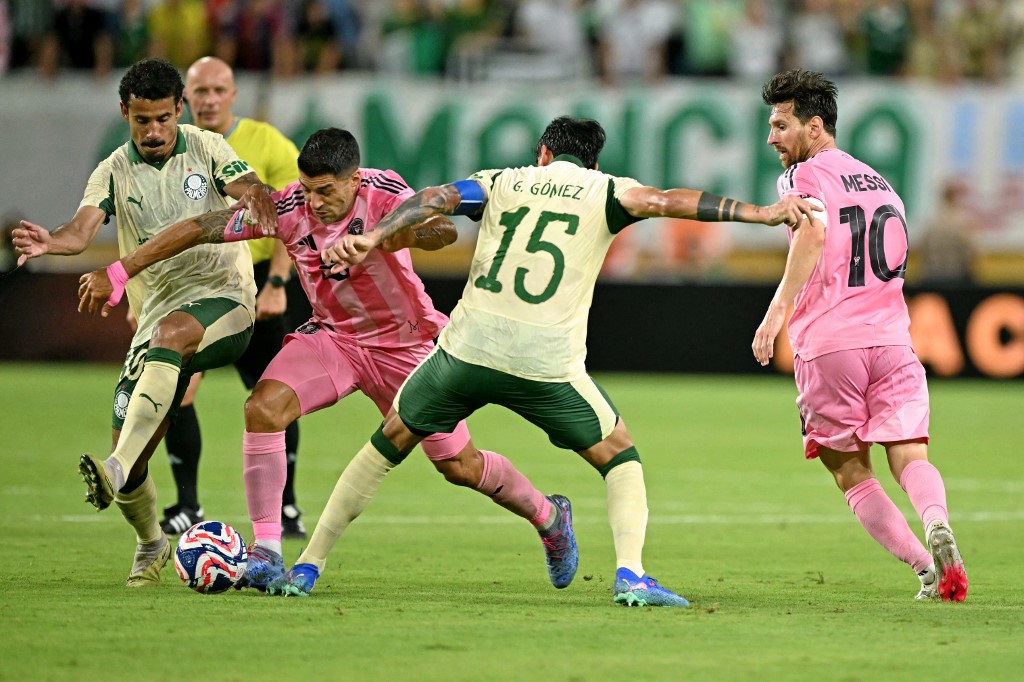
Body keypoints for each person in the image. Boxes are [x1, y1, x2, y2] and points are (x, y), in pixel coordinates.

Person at [271, 115, 816, 606]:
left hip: (467, 349)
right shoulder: (608, 190)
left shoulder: (501, 180)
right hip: (545, 362)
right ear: (593, 161)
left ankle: (308, 565)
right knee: (620, 456)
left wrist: (375, 237)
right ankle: (631, 575)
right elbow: (670, 201)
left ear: (542, 154)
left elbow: (434, 199)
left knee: (388, 442)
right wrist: (763, 214)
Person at [77, 127, 579, 593]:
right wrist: (121, 271)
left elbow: (441, 233)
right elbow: (198, 228)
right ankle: (267, 552)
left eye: (325, 191)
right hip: (335, 341)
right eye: (307, 188)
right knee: (263, 408)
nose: (313, 203)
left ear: (354, 180)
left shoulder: (384, 194)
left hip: (406, 348)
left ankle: (549, 518)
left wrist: (390, 237)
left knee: (460, 466)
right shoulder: (290, 207)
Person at [10, 57, 277, 587]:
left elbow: (249, 185)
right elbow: (82, 230)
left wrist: (256, 197)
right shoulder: (111, 169)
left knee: (169, 342)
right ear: (124, 114)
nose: (153, 131)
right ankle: (150, 541)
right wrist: (52, 242)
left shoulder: (205, 146)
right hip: (156, 319)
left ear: (179, 110)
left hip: (226, 301)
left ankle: (112, 466)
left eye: (161, 118)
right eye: (141, 121)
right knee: (134, 451)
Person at [751, 69, 968, 602]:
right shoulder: (883, 184)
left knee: (850, 472)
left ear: (815, 125)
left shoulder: (803, 177)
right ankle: (936, 521)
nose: (772, 137)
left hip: (830, 344)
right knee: (910, 457)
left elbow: (813, 231)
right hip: (894, 339)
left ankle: (925, 569)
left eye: (781, 124)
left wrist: (776, 313)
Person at [153, 55, 307, 539]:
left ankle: (286, 508)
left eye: (219, 89)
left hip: (257, 278)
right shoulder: (166, 146)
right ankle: (187, 505)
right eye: (200, 91)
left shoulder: (267, 142)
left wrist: (278, 284)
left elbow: (294, 218)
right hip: (195, 280)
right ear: (184, 100)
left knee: (274, 395)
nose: (210, 99)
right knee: (179, 389)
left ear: (233, 94)